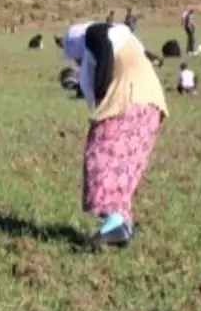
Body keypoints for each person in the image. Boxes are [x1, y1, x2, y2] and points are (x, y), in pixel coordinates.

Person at [62, 21, 169, 248]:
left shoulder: (96, 34)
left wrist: (101, 89)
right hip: (151, 104)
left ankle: (115, 220)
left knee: (101, 153)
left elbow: (99, 38)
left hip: (129, 100)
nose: (79, 63)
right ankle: (121, 223)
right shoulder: (123, 40)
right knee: (124, 163)